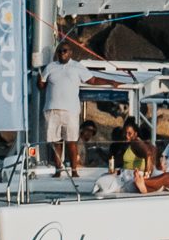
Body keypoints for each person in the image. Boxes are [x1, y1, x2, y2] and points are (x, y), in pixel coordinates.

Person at [39, 42, 124, 178]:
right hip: (52, 109)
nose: (62, 53)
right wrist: (40, 80)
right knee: (56, 142)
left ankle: (74, 170)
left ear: (70, 52)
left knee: (71, 141)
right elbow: (41, 83)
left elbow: (93, 80)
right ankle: (58, 170)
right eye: (60, 51)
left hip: (70, 110)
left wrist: (111, 82)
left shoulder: (77, 67)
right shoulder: (51, 67)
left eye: (65, 51)